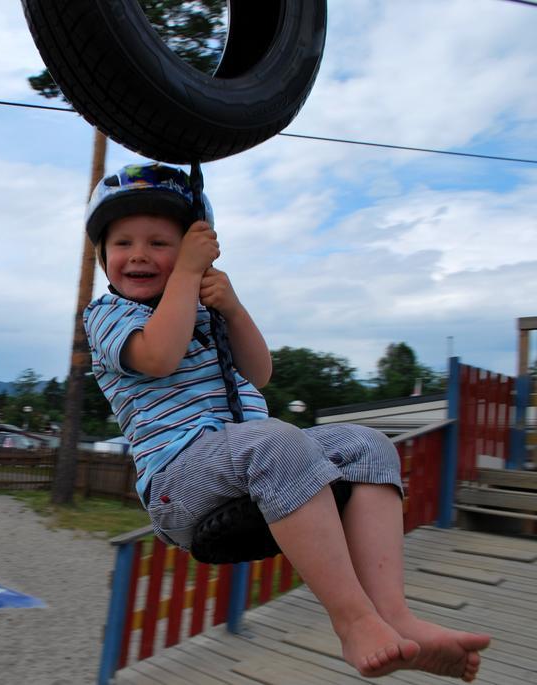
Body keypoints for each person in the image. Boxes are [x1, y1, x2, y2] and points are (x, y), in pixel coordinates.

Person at [81, 162, 491, 681]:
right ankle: (353, 621)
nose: (139, 254)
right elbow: (160, 356)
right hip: (178, 483)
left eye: (160, 243)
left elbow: (260, 372)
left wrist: (232, 308)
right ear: (102, 255)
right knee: (276, 441)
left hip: (250, 459)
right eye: (122, 243)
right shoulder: (109, 315)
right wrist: (185, 273)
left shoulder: (204, 308)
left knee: (367, 445)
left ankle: (393, 613)